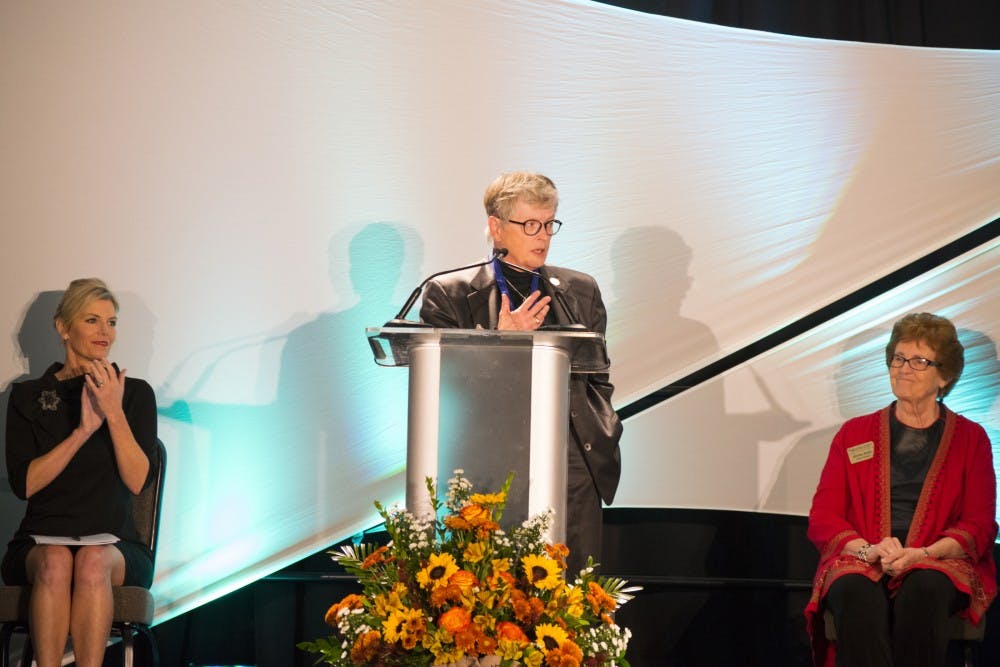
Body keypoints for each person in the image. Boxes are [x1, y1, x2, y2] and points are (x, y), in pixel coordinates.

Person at [420, 171, 623, 575]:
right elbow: (442, 389)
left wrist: (605, 432)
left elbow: (598, 377)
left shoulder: (580, 291)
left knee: (573, 591)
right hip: (488, 461)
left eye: (549, 224)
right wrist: (499, 342)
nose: (542, 236)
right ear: (496, 229)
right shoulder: (449, 293)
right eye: (530, 224)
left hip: (572, 462)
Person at [804, 312, 997, 667]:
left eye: (919, 361)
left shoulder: (972, 439)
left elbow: (979, 523)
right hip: (864, 556)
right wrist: (869, 550)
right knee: (856, 590)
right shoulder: (854, 433)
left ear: (945, 375)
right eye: (898, 358)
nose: (904, 368)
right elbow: (823, 517)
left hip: (937, 559)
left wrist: (924, 554)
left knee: (924, 589)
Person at [2, 278, 158, 667]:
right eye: (92, 320)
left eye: (112, 322)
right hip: (38, 543)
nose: (106, 332)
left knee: (90, 560)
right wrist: (83, 431)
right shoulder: (27, 396)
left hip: (117, 546)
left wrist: (114, 411)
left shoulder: (135, 393)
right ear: (63, 327)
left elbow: (139, 481)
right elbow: (24, 484)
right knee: (56, 560)